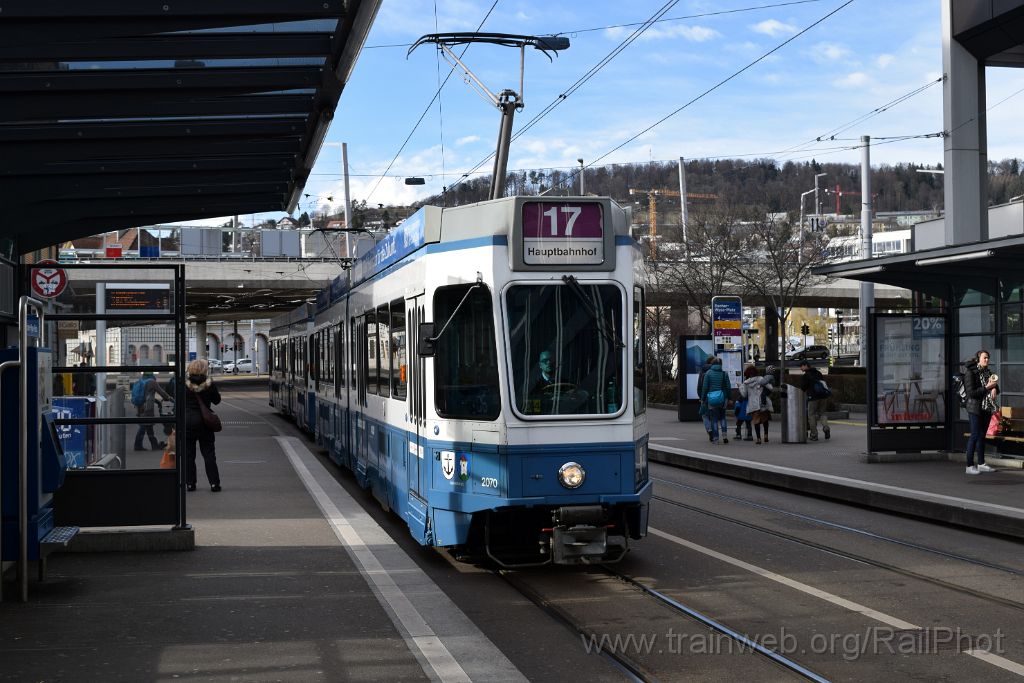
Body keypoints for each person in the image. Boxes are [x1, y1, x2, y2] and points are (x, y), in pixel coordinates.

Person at [184, 359, 222, 492]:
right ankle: (214, 484)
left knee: (189, 455)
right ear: (204, 370)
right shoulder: (209, 384)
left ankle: (190, 483)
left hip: (187, 422)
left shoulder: (183, 383)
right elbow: (216, 401)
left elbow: (174, 396)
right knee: (209, 454)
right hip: (205, 422)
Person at [963, 350, 998, 475]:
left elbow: (995, 385)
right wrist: (988, 388)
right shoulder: (970, 373)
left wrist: (994, 389)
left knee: (982, 436)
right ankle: (969, 465)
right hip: (975, 408)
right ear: (978, 359)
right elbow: (971, 393)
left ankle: (981, 463)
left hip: (986, 408)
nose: (987, 360)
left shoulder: (988, 372)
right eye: (984, 358)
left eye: (988, 358)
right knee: (974, 435)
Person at [134, 372, 171, 451]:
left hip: (139, 407)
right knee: (144, 426)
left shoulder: (141, 381)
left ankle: (154, 444)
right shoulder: (152, 382)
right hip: (147, 408)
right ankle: (137, 445)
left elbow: (147, 395)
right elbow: (161, 392)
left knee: (148, 426)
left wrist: (156, 401)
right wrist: (168, 398)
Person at [700, 357, 731, 444]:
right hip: (723, 398)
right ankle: (725, 436)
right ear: (721, 365)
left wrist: (703, 399)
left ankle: (716, 439)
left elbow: (705, 387)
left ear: (712, 364)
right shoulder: (724, 374)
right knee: (722, 417)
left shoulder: (708, 373)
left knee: (714, 419)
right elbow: (728, 387)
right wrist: (730, 398)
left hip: (712, 399)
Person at [800, 359, 831, 441]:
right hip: (823, 396)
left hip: (813, 398)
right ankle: (826, 427)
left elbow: (803, 388)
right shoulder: (818, 373)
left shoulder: (806, 376)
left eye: (801, 366)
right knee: (822, 413)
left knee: (811, 415)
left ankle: (814, 435)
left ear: (806, 366)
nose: (800, 368)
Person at [745, 365, 775, 444]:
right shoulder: (761, 379)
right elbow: (770, 387)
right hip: (763, 403)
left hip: (753, 404)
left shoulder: (746, 383)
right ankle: (766, 436)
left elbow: (744, 394)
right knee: (765, 419)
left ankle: (758, 439)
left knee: (756, 421)